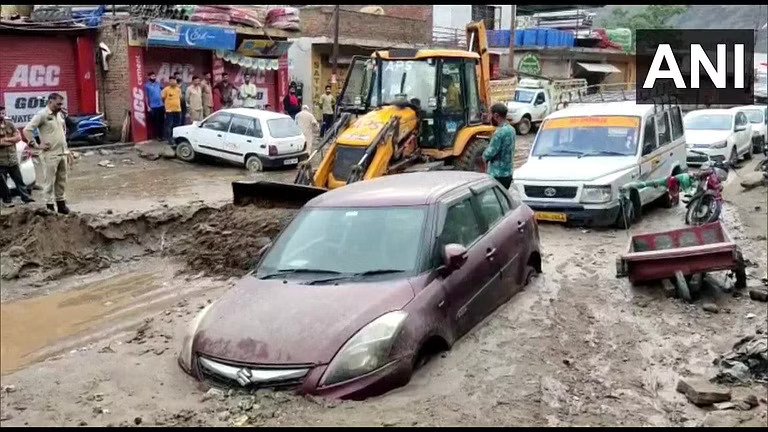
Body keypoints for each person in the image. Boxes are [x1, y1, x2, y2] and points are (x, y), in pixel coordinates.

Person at [23, 93, 71, 214]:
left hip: (62, 153)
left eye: (61, 104)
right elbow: (27, 130)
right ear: (50, 101)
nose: (60, 106)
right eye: (58, 104)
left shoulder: (59, 114)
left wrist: (67, 151)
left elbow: (61, 133)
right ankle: (49, 206)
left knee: (61, 180)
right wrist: (36, 145)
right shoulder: (42, 114)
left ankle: (61, 204)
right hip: (50, 154)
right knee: (49, 182)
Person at [0, 106, 34, 207]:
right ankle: (7, 201)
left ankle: (26, 198)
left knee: (19, 180)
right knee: (3, 184)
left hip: (12, 159)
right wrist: (11, 140)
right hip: (1, 161)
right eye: (0, 113)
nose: (2, 115)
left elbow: (18, 137)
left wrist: (6, 140)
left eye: (3, 113)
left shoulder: (10, 124)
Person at [482, 103, 516, 189]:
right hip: (508, 173)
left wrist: (483, 156)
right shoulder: (512, 129)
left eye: (490, 115)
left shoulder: (499, 133)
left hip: (497, 175)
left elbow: (489, 154)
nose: (489, 118)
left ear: (496, 116)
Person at [161, 78, 183, 145]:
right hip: (169, 110)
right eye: (171, 81)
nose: (173, 82)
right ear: (169, 82)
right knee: (169, 125)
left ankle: (176, 138)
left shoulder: (178, 89)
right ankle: (169, 139)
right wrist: (167, 106)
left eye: (174, 80)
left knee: (177, 125)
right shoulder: (166, 89)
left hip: (178, 110)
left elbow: (180, 98)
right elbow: (163, 98)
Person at [144, 72, 165, 140]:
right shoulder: (147, 86)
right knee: (156, 122)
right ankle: (157, 136)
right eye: (152, 76)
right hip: (153, 106)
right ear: (149, 77)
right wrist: (148, 106)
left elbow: (164, 90)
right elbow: (146, 97)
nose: (154, 77)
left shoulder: (158, 84)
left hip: (161, 105)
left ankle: (162, 136)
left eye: (154, 76)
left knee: (162, 121)